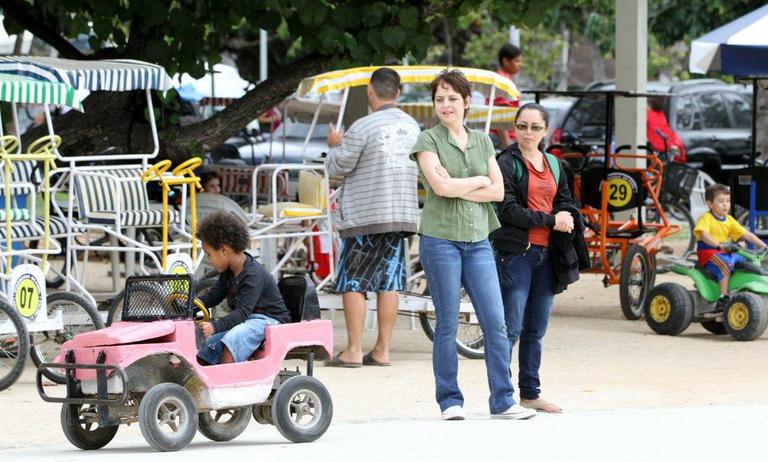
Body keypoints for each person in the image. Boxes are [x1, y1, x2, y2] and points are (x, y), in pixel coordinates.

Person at [411, 69, 536, 421]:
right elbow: (441, 189)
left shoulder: (483, 142)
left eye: (453, 98)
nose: (446, 105)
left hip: (479, 240)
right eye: (440, 99)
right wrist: (478, 181)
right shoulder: (428, 140)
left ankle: (503, 400)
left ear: (467, 102)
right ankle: (450, 400)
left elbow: (497, 191)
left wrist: (473, 181)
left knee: (495, 322)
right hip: (440, 241)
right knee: (447, 322)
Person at [323, 67, 421, 368]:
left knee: (354, 281)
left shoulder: (362, 127)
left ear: (369, 90)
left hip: (366, 216)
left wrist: (335, 145)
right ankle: (382, 350)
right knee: (388, 281)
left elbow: (338, 169)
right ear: (399, 93)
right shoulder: (413, 127)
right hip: (400, 214)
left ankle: (353, 350)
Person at [492, 103, 578, 414]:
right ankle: (501, 397)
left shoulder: (554, 164)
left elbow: (566, 201)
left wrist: (566, 215)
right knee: (510, 328)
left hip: (547, 255)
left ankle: (530, 393)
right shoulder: (506, 162)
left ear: (546, 131)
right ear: (514, 128)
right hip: (516, 254)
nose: (527, 133)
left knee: (535, 329)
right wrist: (552, 219)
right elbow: (508, 209)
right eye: (522, 126)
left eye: (535, 127)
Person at [196, 211, 291, 365]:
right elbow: (212, 296)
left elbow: (241, 312)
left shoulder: (253, 274)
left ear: (224, 250)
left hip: (268, 319)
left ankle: (228, 384)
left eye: (209, 254)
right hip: (247, 319)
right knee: (208, 345)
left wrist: (215, 326)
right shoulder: (228, 272)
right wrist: (190, 306)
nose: (209, 260)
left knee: (233, 340)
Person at [693, 183, 767, 311]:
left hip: (726, 251)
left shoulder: (729, 220)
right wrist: (718, 244)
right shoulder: (706, 218)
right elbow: (704, 235)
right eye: (721, 201)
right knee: (725, 266)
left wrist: (764, 245)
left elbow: (747, 234)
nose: (725, 204)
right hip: (709, 252)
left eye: (728, 201)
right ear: (710, 204)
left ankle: (739, 291)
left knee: (748, 262)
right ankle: (723, 298)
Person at [492, 43, 524, 149]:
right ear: (506, 61)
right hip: (501, 139)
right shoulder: (502, 82)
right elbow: (499, 113)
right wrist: (507, 144)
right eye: (517, 61)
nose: (520, 64)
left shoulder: (505, 80)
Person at [647, 96, 686, 162]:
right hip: (669, 146)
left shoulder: (648, 115)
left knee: (657, 169)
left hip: (659, 150)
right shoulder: (661, 115)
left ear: (650, 105)